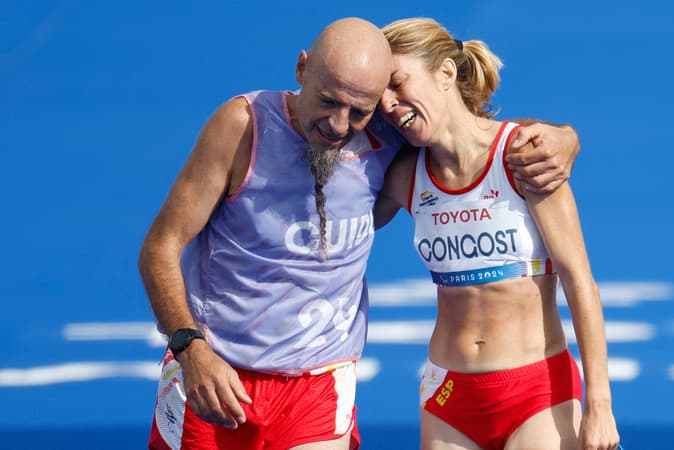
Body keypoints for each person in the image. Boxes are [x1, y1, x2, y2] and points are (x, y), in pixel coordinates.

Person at [138, 17, 581, 450]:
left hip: (321, 384)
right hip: (216, 375)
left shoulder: (386, 134)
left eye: (359, 111)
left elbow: (470, 135)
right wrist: (190, 349)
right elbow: (160, 246)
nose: (338, 124)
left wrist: (563, 137)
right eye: (328, 102)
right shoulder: (243, 126)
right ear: (301, 69)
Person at [374, 18, 620, 450]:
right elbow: (338, 228)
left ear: (446, 73)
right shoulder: (404, 176)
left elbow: (580, 282)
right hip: (448, 394)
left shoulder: (525, 156)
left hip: (537, 391)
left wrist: (600, 406)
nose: (390, 104)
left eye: (397, 83)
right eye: (381, 97)